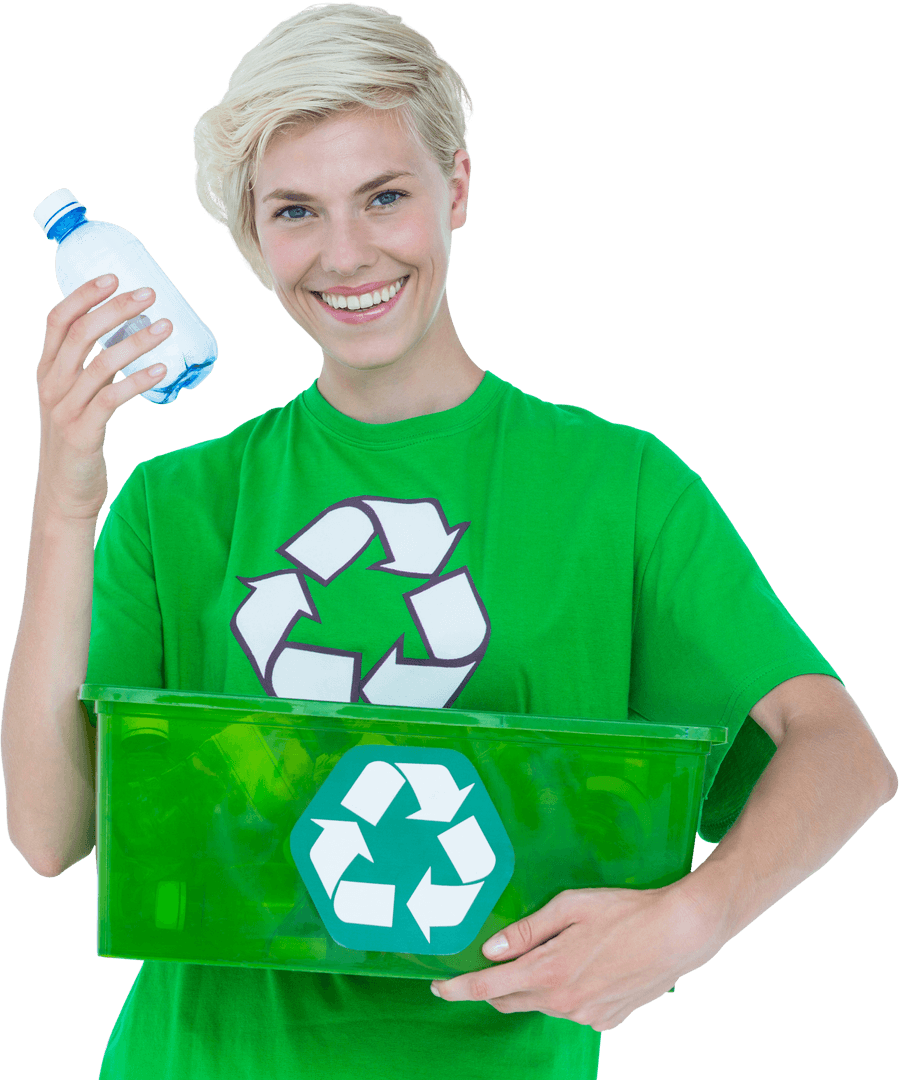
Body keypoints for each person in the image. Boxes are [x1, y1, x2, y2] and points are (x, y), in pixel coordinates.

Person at [2, 4, 896, 1078]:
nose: (345, 254)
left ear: (456, 189)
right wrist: (64, 498)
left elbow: (841, 752)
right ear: (250, 240)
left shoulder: (616, 486)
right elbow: (53, 837)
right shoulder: (178, 501)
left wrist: (691, 923)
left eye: (384, 196)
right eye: (294, 212)